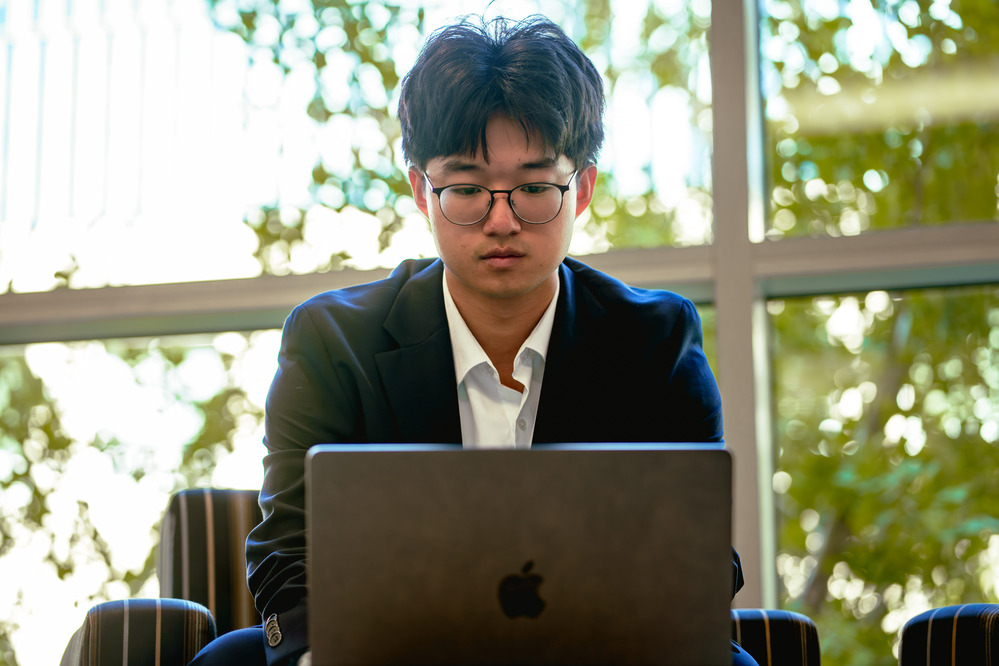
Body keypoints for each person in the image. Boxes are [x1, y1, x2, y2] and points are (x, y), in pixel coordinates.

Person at [190, 15, 757, 666]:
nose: (501, 220)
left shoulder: (654, 341)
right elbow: (287, 554)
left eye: (534, 188)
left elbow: (701, 559)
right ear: (421, 192)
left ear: (582, 189)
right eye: (465, 190)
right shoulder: (332, 342)